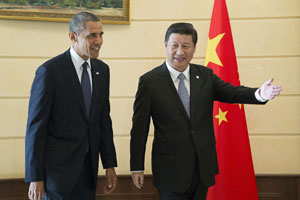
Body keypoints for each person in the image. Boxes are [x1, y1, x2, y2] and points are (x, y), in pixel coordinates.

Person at [130, 22, 282, 200]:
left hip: (202, 168)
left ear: (194, 48)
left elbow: (232, 92)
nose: (180, 52)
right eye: (174, 46)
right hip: (170, 171)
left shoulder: (205, 76)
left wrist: (258, 94)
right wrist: (137, 166)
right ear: (165, 46)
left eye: (186, 46)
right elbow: (140, 128)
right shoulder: (150, 81)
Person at [25, 12, 117, 200]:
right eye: (92, 36)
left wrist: (109, 165)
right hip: (57, 175)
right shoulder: (50, 72)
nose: (98, 41)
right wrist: (36, 177)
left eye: (101, 35)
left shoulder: (102, 70)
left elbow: (103, 120)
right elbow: (36, 127)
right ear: (72, 37)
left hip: (88, 172)